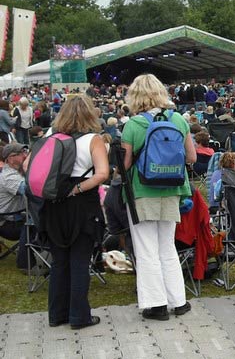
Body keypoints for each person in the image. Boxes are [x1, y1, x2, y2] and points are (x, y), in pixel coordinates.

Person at [121, 74, 196, 321]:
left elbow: (125, 163)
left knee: (146, 250)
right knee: (167, 247)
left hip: (142, 192)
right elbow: (192, 158)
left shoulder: (132, 125)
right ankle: (179, 300)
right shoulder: (178, 119)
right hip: (172, 189)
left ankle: (156, 304)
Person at [31, 95, 109, 329]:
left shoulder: (49, 136)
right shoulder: (92, 139)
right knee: (79, 261)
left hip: (54, 205)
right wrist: (77, 189)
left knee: (59, 262)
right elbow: (102, 174)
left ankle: (56, 314)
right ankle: (79, 316)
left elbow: (29, 167)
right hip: (82, 204)